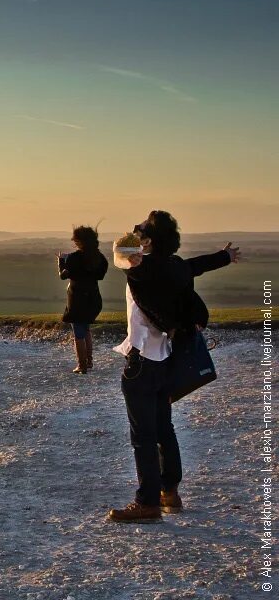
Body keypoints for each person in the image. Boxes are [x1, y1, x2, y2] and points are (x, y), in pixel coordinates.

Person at [107, 211, 240, 523]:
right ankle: (170, 493)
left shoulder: (141, 269)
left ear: (149, 240)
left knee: (143, 436)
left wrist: (132, 250)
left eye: (139, 229)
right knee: (164, 429)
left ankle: (147, 502)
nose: (133, 230)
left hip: (141, 362)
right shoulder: (175, 267)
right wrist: (225, 255)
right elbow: (197, 265)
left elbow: (119, 252)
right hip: (166, 358)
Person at [57, 225, 108, 373]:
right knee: (86, 329)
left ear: (79, 241)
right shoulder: (100, 258)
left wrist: (61, 261)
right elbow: (100, 275)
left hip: (77, 298)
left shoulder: (74, 258)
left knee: (78, 332)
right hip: (93, 297)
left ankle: (82, 365)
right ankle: (89, 361)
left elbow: (63, 275)